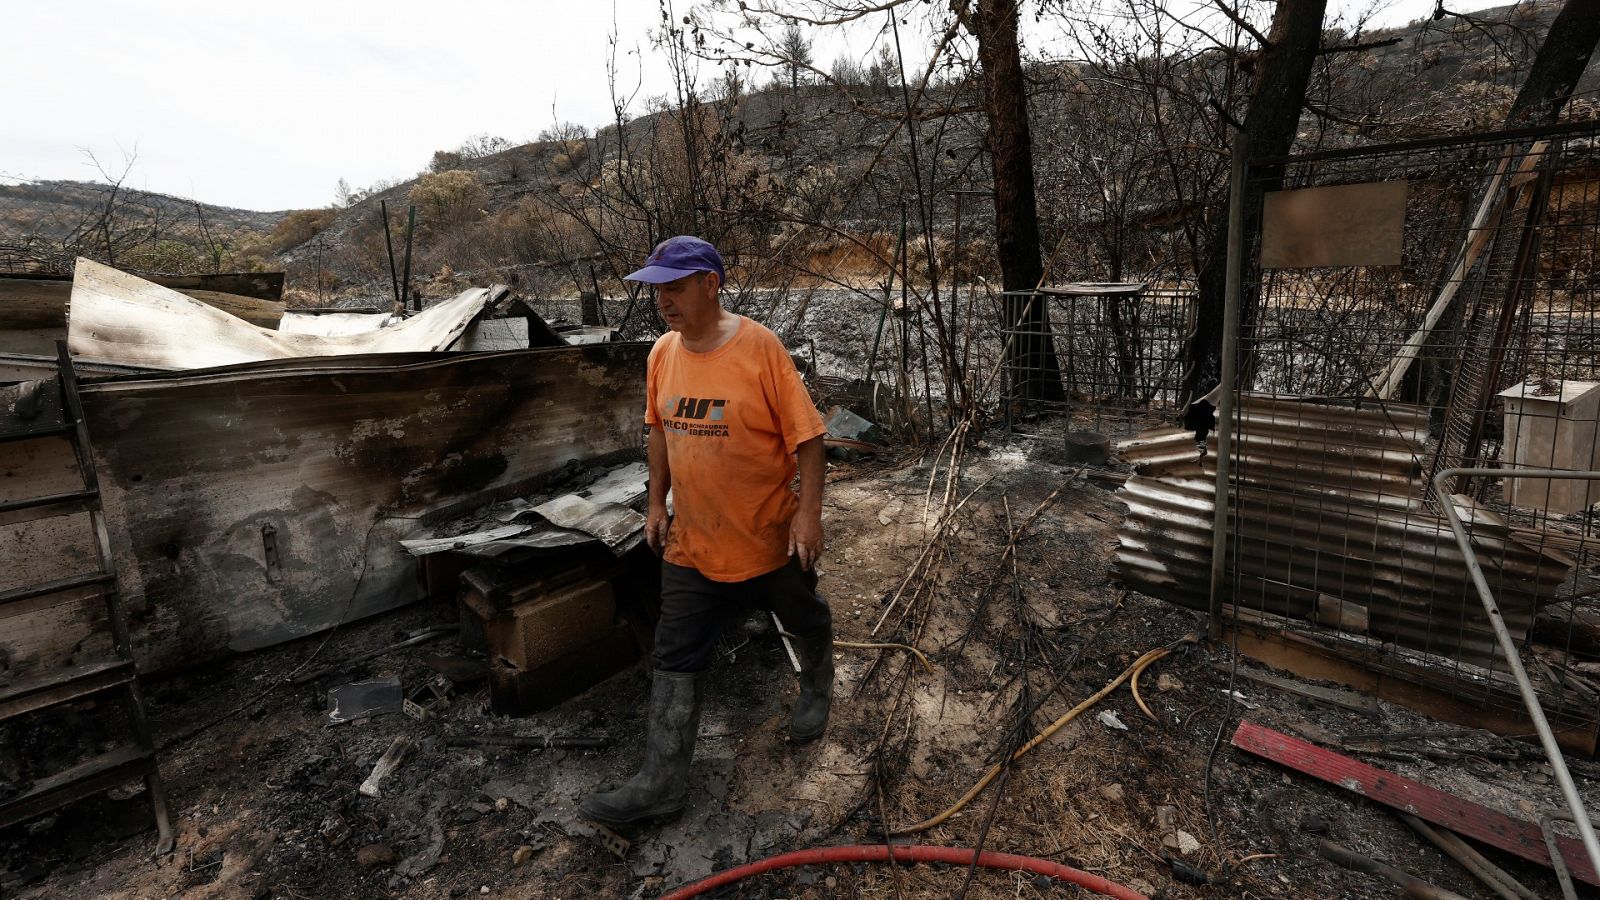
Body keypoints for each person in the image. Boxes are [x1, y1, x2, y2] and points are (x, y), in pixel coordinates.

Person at [580, 235, 833, 829]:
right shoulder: (662, 354)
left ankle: (818, 687)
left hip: (766, 534)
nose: (663, 300)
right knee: (676, 649)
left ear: (709, 285)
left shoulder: (759, 348)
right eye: (656, 289)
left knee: (802, 614)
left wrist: (809, 513)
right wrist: (655, 504)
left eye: (675, 286)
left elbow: (810, 439)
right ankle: (662, 781)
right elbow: (660, 430)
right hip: (693, 539)